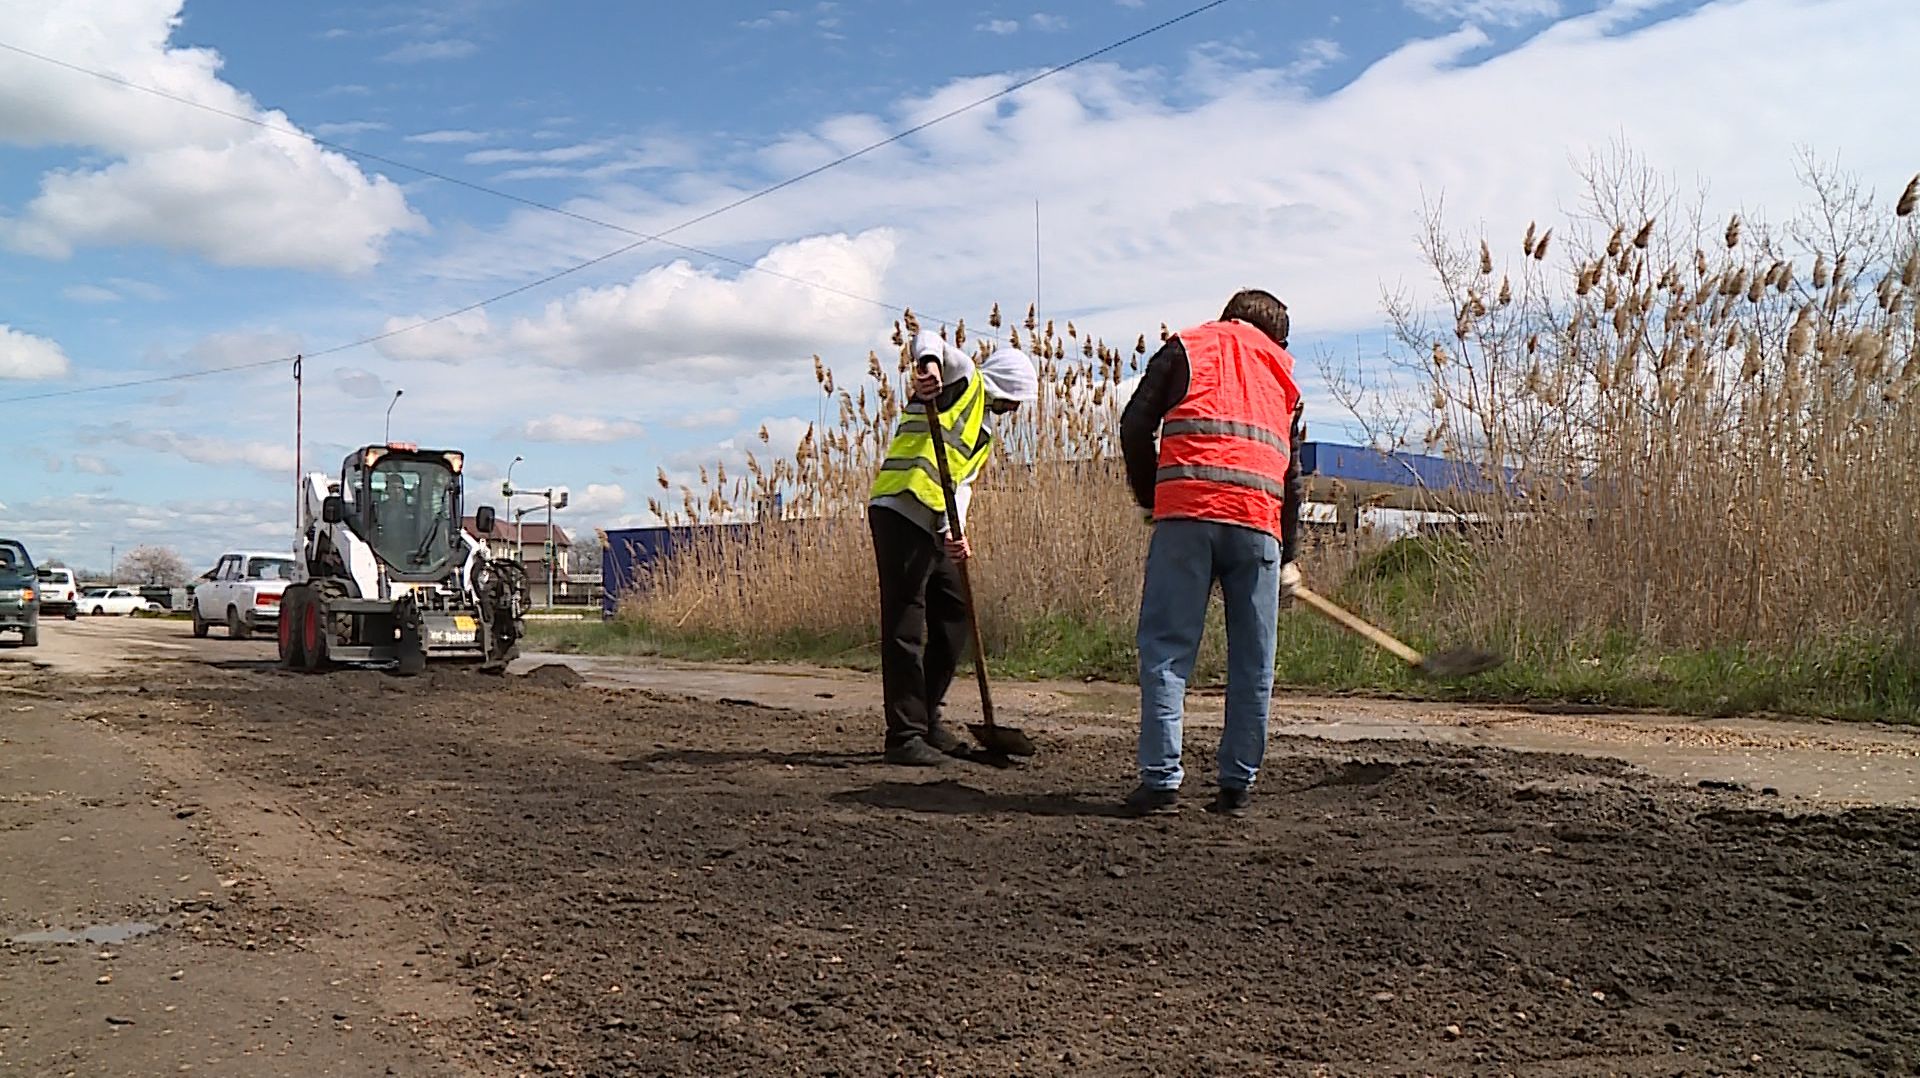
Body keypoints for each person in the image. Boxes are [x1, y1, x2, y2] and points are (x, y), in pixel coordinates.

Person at [1118, 289, 1307, 817]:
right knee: (1254, 661)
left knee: (1167, 649)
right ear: (1276, 335)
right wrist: (1288, 554)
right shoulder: (1284, 374)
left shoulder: (1185, 348)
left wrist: (1151, 496)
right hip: (1258, 527)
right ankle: (1237, 786)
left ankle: (1160, 781)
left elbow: (1134, 425)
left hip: (1185, 519)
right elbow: (1291, 476)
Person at [868, 328, 1037, 766]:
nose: (1016, 410)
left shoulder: (982, 432)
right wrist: (927, 366)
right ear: (1009, 386)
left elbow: (959, 486)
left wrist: (954, 533)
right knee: (906, 623)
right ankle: (904, 736)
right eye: (1018, 400)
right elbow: (929, 339)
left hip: (931, 522)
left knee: (955, 613)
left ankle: (926, 718)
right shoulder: (964, 379)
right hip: (899, 508)